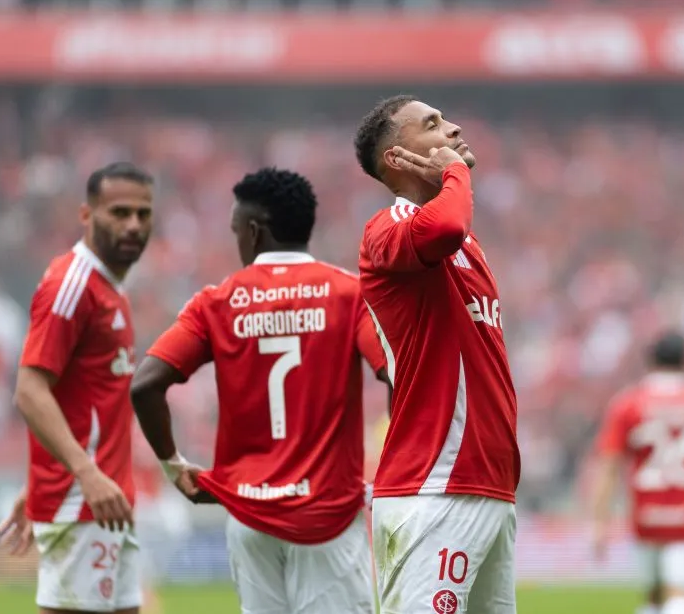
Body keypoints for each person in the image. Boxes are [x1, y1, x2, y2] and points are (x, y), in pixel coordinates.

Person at [129, 167, 391, 614]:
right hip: (325, 513)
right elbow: (396, 374)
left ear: (253, 230)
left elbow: (146, 384)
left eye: (235, 229)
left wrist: (174, 467)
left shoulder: (216, 302)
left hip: (249, 515)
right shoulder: (349, 294)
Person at [354, 95, 521, 614]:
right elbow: (444, 226)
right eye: (432, 124)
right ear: (398, 160)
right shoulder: (387, 230)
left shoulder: (470, 247)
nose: (453, 128)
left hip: (487, 485)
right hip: (435, 487)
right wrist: (454, 175)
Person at [0, 162, 154, 614]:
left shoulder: (110, 287)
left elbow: (77, 397)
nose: (132, 225)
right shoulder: (73, 283)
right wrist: (81, 474)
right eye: (119, 212)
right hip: (85, 500)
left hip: (106, 502)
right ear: (86, 215)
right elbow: (29, 390)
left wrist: (47, 476)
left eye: (143, 214)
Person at [591, 331, 684, 614]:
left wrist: (599, 521)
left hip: (646, 516)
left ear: (650, 360)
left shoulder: (628, 404)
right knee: (681, 595)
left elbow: (609, 466)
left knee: (655, 597)